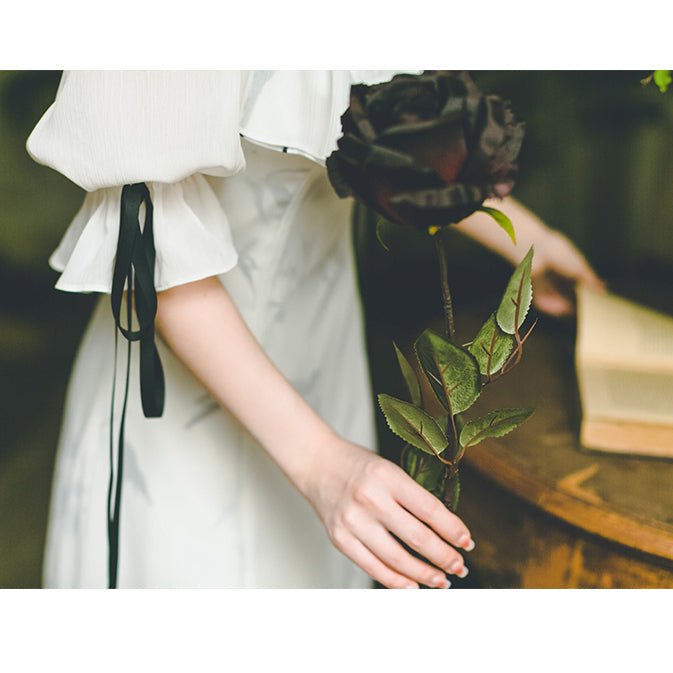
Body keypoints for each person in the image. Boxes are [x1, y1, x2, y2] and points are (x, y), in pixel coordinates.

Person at [27, 71, 604, 589]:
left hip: (326, 361)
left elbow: (388, 130)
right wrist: (322, 463)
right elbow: (148, 243)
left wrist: (532, 242)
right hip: (196, 381)